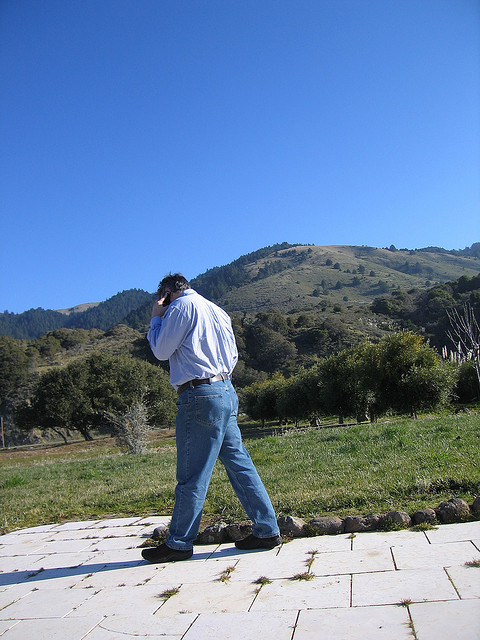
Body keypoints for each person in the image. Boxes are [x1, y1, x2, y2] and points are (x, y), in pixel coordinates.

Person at [141, 274, 281, 563]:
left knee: (192, 473)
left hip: (200, 395)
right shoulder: (217, 310)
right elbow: (233, 356)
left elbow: (161, 351)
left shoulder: (179, 308)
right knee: (240, 464)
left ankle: (179, 543)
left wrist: (156, 318)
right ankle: (267, 530)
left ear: (166, 293)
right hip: (226, 389)